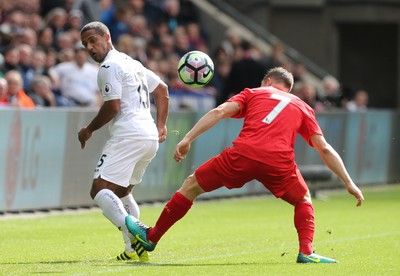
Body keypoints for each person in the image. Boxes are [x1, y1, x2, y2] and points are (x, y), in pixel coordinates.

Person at [125, 67, 365, 264]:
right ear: (288, 89)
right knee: (303, 200)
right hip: (278, 163)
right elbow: (324, 148)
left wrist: (188, 138)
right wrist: (349, 182)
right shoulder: (303, 106)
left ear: (268, 81)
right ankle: (306, 251)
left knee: (191, 186)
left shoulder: (255, 93)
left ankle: (152, 237)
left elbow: (220, 111)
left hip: (243, 155)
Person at [77, 21, 169, 262]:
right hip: (148, 136)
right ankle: (131, 249)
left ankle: (137, 231)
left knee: (99, 190)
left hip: (129, 134)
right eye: (85, 44)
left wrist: (89, 130)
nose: (90, 47)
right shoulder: (132, 62)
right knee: (123, 192)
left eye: (93, 41)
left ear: (107, 37)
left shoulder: (109, 66)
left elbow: (113, 106)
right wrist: (160, 125)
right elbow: (162, 89)